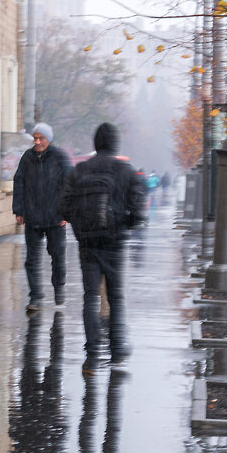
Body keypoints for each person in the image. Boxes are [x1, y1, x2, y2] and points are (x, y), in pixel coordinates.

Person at [60, 122, 146, 371]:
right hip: (114, 242)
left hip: (87, 242)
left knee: (90, 297)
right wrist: (124, 226)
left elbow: (64, 206)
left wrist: (80, 229)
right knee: (116, 297)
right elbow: (138, 208)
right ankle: (117, 350)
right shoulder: (126, 170)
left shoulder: (80, 170)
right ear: (115, 143)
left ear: (95, 142)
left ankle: (92, 354)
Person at [13, 123, 73, 312]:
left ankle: (59, 287)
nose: (37, 141)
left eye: (41, 138)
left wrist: (67, 212)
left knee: (57, 256)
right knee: (32, 260)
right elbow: (19, 183)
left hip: (55, 217)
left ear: (49, 139)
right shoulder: (27, 158)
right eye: (35, 138)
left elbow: (70, 185)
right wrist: (19, 210)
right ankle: (35, 297)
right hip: (32, 216)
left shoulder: (59, 157)